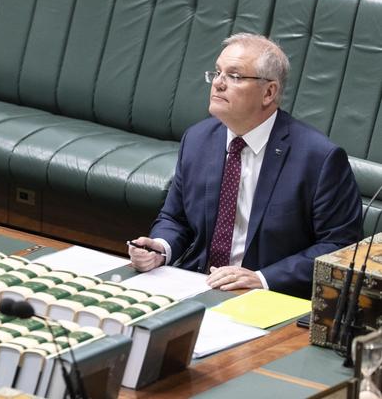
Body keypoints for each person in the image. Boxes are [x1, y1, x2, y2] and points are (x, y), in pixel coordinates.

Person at [128, 33, 361, 298]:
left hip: (269, 296)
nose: (218, 83)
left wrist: (261, 279)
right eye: (217, 72)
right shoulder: (198, 139)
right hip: (195, 283)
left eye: (234, 76)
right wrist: (160, 248)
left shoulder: (319, 158)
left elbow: (340, 246)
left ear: (269, 92)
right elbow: (175, 218)